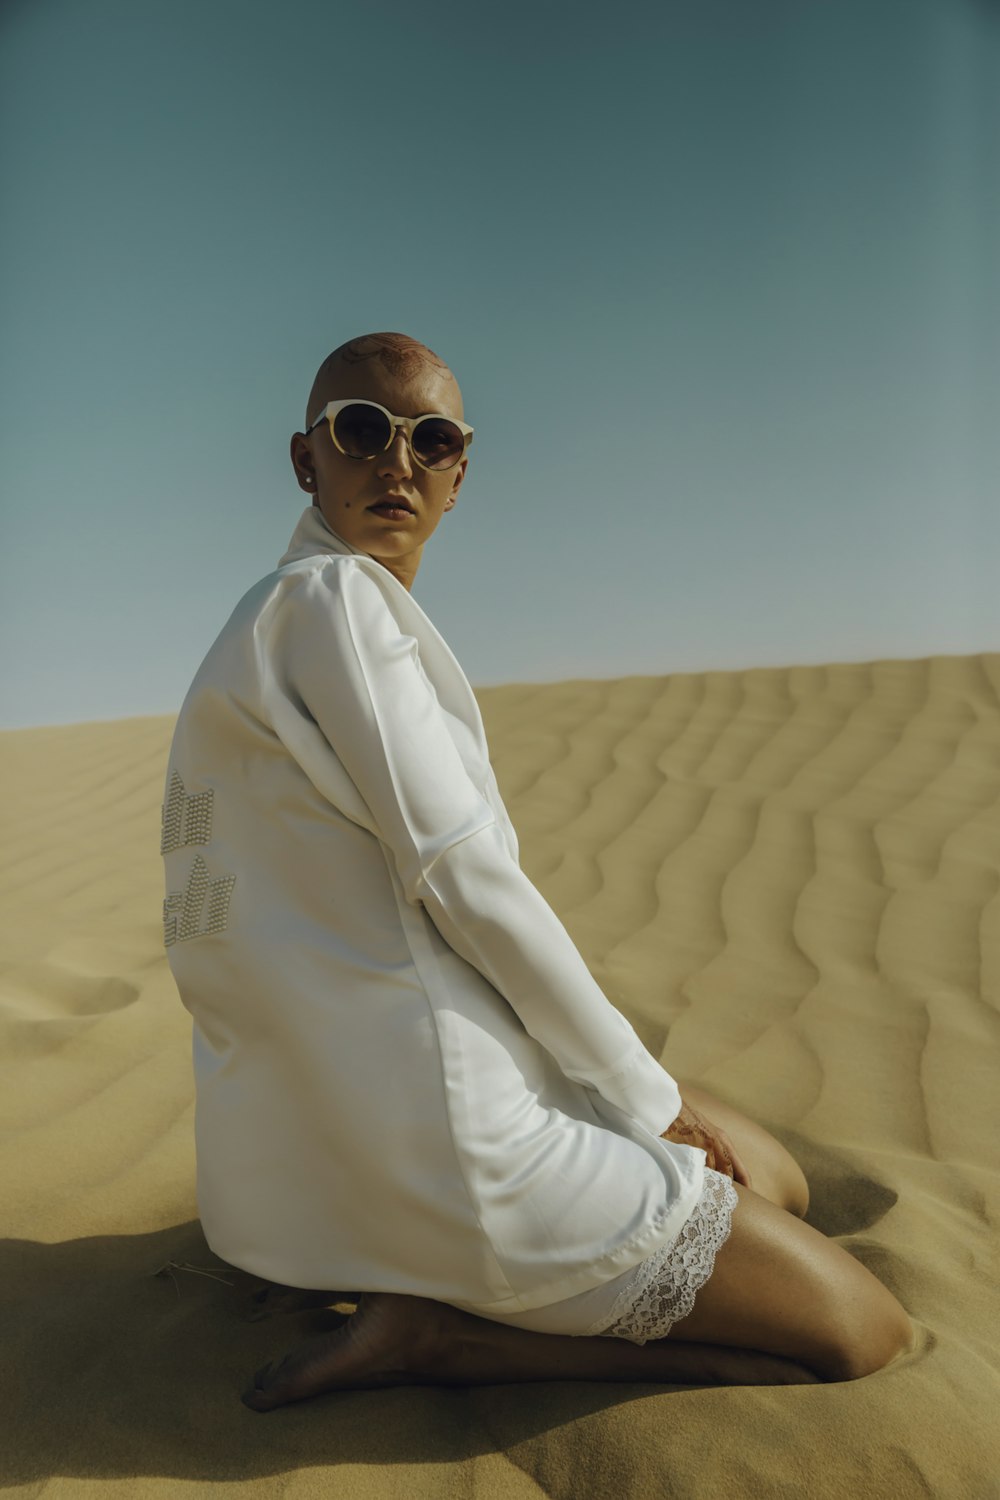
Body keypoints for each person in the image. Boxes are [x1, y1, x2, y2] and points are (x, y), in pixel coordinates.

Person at [160, 331, 915, 1412]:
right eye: (361, 432)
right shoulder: (330, 606)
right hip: (452, 1146)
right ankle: (449, 1340)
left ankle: (451, 1282)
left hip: (309, 1170)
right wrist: (644, 1103)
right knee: (862, 1329)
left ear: (460, 474)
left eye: (430, 440)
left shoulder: (265, 625)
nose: (397, 463)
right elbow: (465, 880)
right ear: (305, 459)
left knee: (775, 1179)